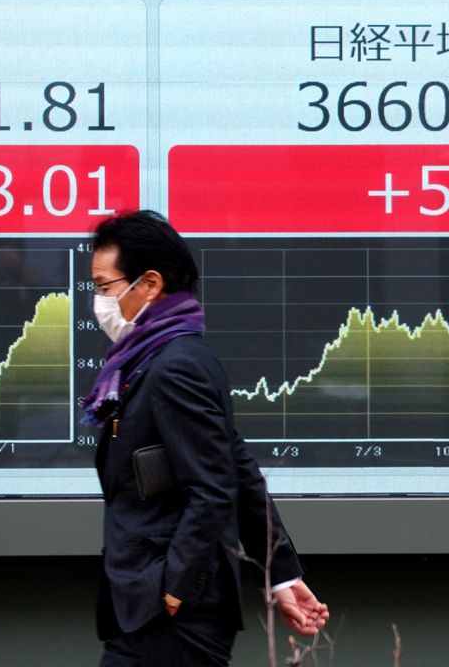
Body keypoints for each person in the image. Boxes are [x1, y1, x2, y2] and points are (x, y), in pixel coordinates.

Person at [81, 210, 328, 667]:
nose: (97, 302)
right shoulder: (157, 359)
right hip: (152, 612)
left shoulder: (174, 366)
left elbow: (213, 489)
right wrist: (281, 575)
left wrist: (175, 589)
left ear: (150, 284)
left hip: (171, 616)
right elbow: (238, 470)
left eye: (104, 287)